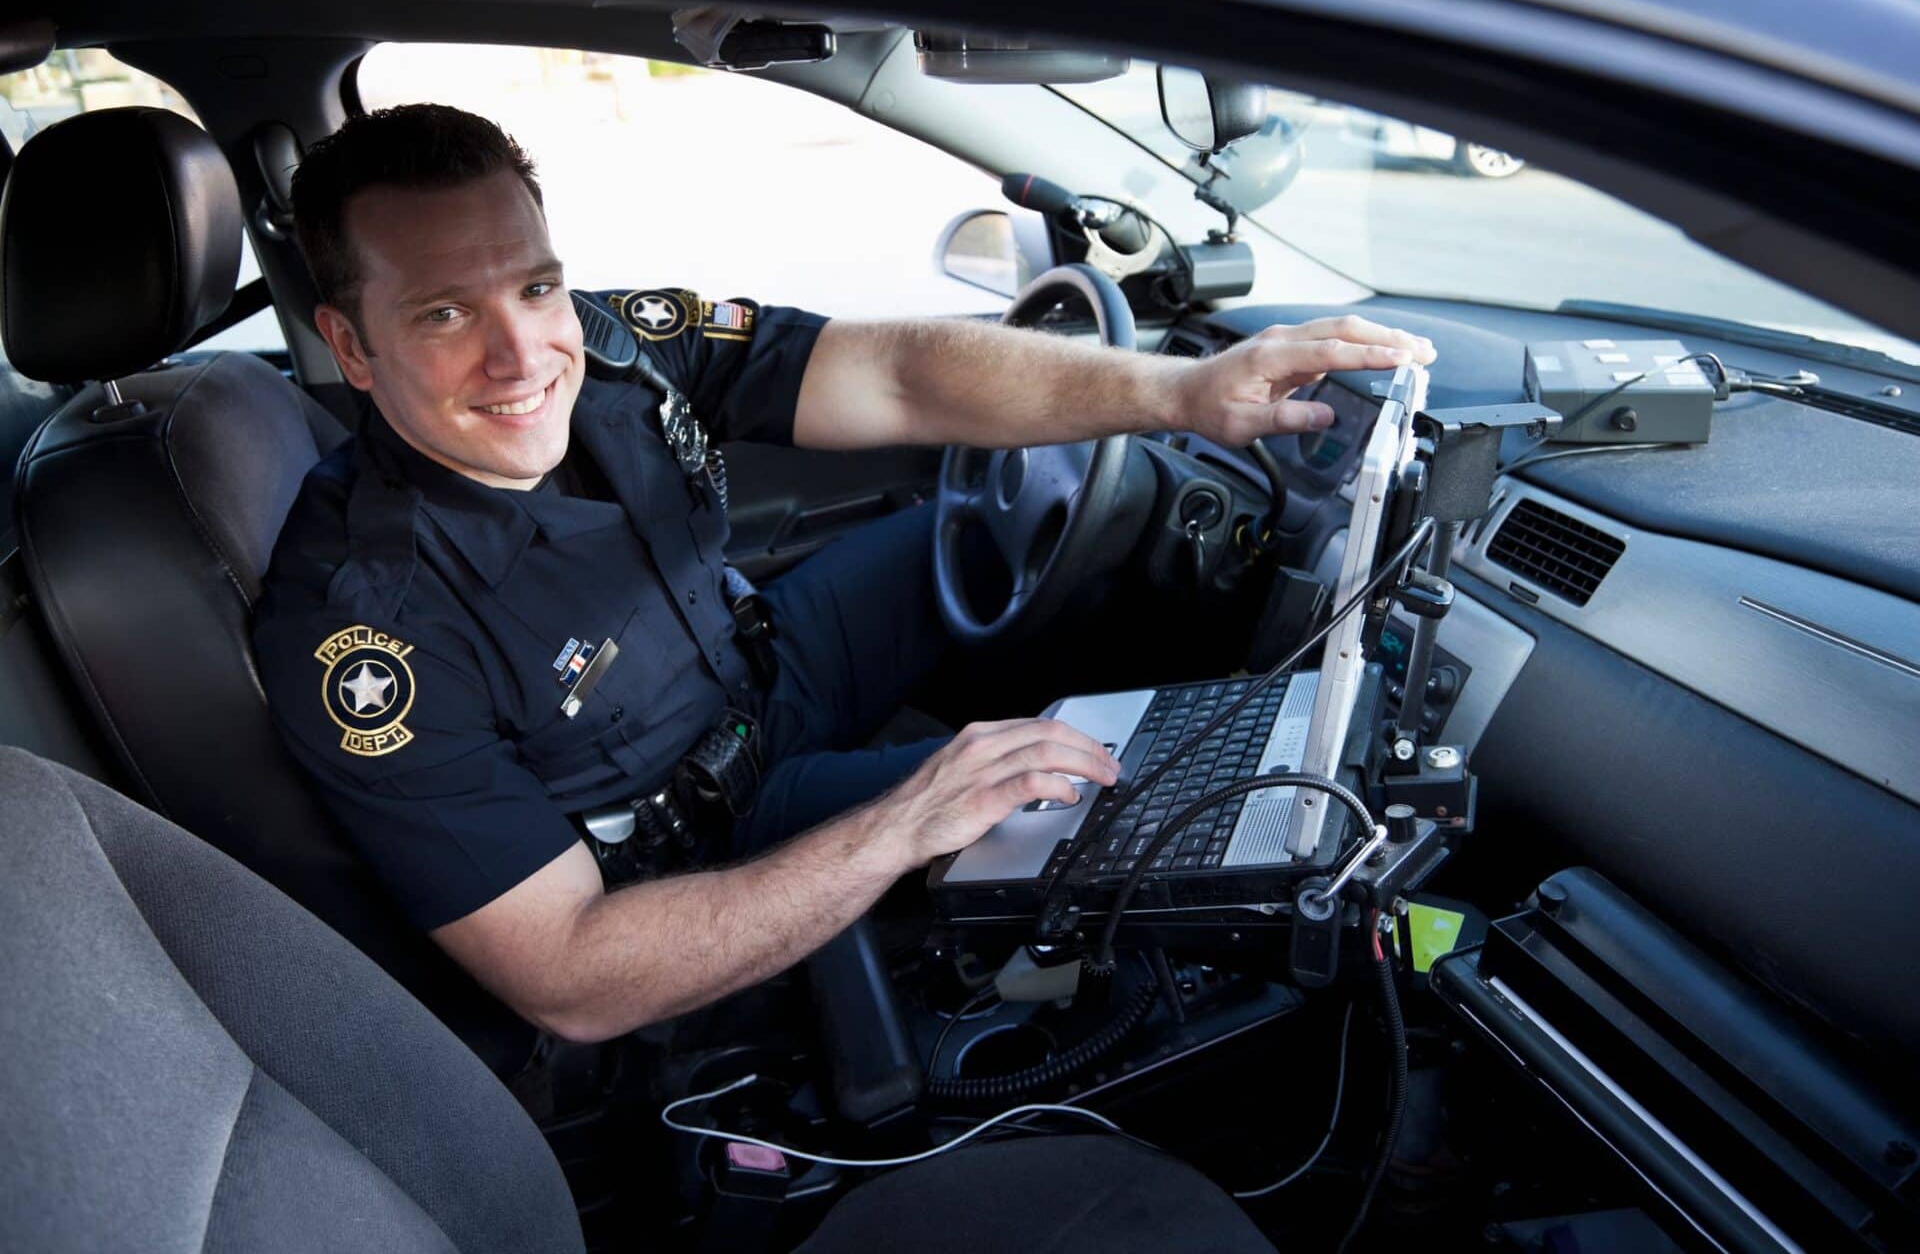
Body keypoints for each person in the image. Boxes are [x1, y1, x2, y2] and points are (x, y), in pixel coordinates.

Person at [254, 103, 1434, 1044]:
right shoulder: (363, 631)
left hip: (769, 665)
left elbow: (900, 375)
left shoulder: (614, 345)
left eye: (535, 284)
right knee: (1121, 803)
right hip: (704, 847)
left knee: (984, 527)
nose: (522, 354)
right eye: (447, 312)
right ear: (351, 345)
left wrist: (1181, 392)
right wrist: (906, 821)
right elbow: (569, 972)